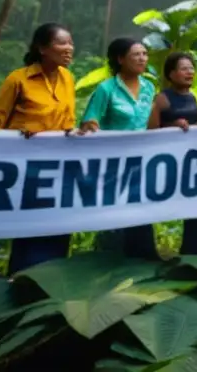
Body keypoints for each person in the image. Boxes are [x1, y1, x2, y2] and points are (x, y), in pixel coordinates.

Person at [0, 23, 77, 275]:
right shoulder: (18, 79)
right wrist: (16, 135)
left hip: (59, 168)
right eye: (62, 43)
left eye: (70, 43)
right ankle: (21, 282)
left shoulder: (68, 78)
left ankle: (52, 286)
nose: (69, 48)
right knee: (30, 230)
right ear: (42, 48)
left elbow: (68, 121)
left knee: (58, 228)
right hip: (23, 169)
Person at [78, 38, 157, 260]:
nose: (143, 58)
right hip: (114, 163)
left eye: (144, 54)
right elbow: (91, 119)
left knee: (142, 209)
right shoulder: (106, 88)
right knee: (115, 212)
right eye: (136, 54)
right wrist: (91, 125)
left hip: (143, 161)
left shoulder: (149, 87)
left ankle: (142, 258)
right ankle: (108, 258)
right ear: (120, 59)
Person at [147, 52, 197, 256]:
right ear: (171, 74)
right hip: (174, 164)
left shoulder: (193, 97)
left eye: (191, 68)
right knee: (192, 210)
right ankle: (192, 256)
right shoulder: (162, 99)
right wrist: (172, 126)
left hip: (196, 162)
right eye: (184, 68)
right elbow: (150, 132)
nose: (189, 72)